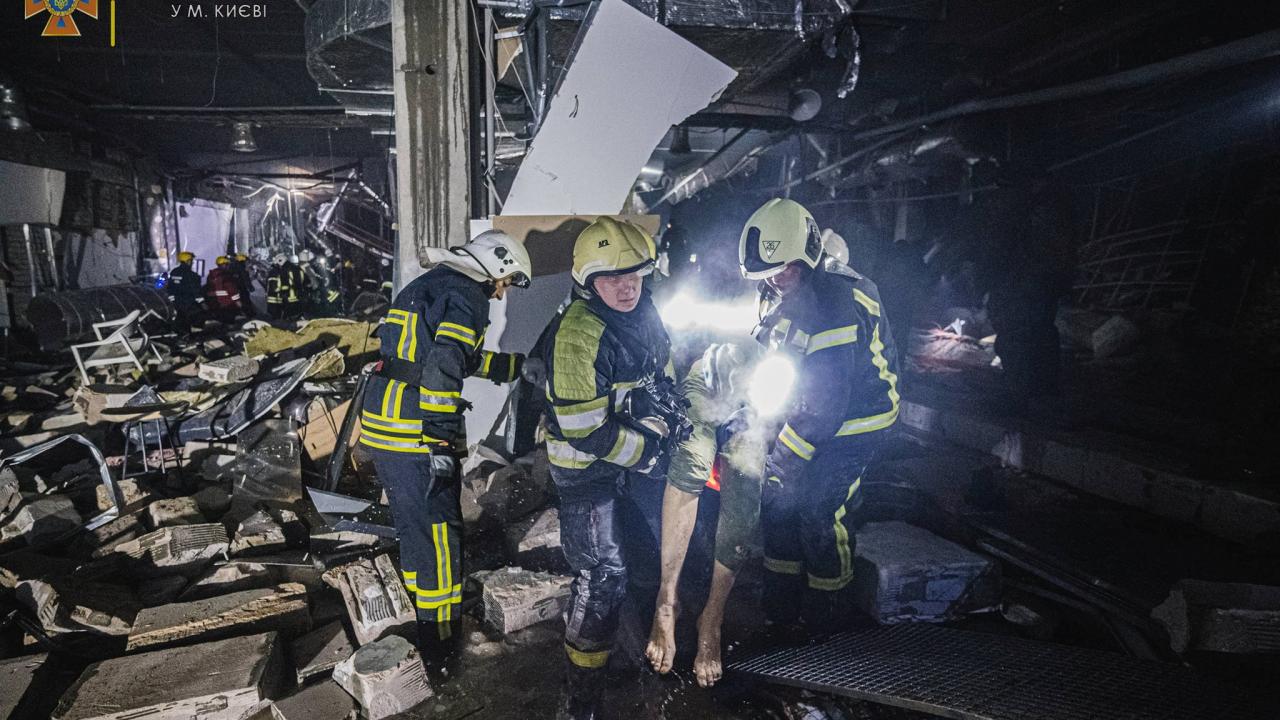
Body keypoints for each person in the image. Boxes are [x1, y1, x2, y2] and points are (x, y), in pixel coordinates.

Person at [357, 230, 531, 667]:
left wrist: (509, 367)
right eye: (505, 281)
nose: (501, 292)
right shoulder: (468, 295)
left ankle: (420, 614)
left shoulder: (433, 283)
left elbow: (436, 354)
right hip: (413, 429)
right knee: (438, 533)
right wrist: (438, 438)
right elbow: (444, 365)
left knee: (414, 526)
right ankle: (440, 640)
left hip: (385, 421)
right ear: (494, 265)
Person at [739, 198, 901, 635]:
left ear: (806, 257)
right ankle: (781, 606)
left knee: (819, 509)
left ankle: (828, 615)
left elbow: (826, 402)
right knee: (779, 504)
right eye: (767, 275)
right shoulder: (788, 288)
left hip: (859, 418)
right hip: (815, 410)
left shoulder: (835, 300)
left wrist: (782, 459)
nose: (775, 281)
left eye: (783, 271)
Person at [541, 217, 679, 720]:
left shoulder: (646, 311)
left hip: (630, 463)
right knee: (603, 576)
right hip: (585, 472)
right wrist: (650, 453)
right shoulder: (579, 331)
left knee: (646, 562)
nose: (627, 287)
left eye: (634, 275)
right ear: (588, 281)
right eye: (613, 278)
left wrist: (674, 418)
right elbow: (585, 431)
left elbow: (663, 373)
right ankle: (581, 698)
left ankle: (632, 653)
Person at [646, 342, 767, 688]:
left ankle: (713, 616)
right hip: (702, 371)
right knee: (691, 461)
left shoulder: (790, 310)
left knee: (745, 483)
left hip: (757, 385)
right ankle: (666, 602)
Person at [166, 250, 205, 333]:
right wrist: (202, 303)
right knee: (198, 317)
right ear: (188, 261)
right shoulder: (191, 275)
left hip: (177, 303)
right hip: (189, 303)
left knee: (181, 320)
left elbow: (170, 288)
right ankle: (196, 336)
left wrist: (173, 301)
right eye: (191, 261)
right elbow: (195, 291)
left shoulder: (174, 272)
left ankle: (180, 334)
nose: (192, 263)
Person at [203, 256, 243, 323]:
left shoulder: (211, 275)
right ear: (224, 265)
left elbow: (209, 288)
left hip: (214, 304)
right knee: (231, 323)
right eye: (227, 264)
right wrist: (238, 302)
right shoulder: (226, 276)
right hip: (227, 304)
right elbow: (232, 290)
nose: (228, 266)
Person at [266, 253, 295, 321]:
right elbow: (274, 288)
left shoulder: (276, 271)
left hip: (277, 301)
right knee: (275, 321)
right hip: (274, 302)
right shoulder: (274, 272)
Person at [230, 253, 256, 318]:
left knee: (240, 301)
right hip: (242, 287)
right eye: (246, 261)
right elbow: (245, 278)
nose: (247, 263)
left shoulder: (233, 266)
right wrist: (250, 287)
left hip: (236, 288)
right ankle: (249, 313)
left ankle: (244, 313)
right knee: (245, 300)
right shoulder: (241, 267)